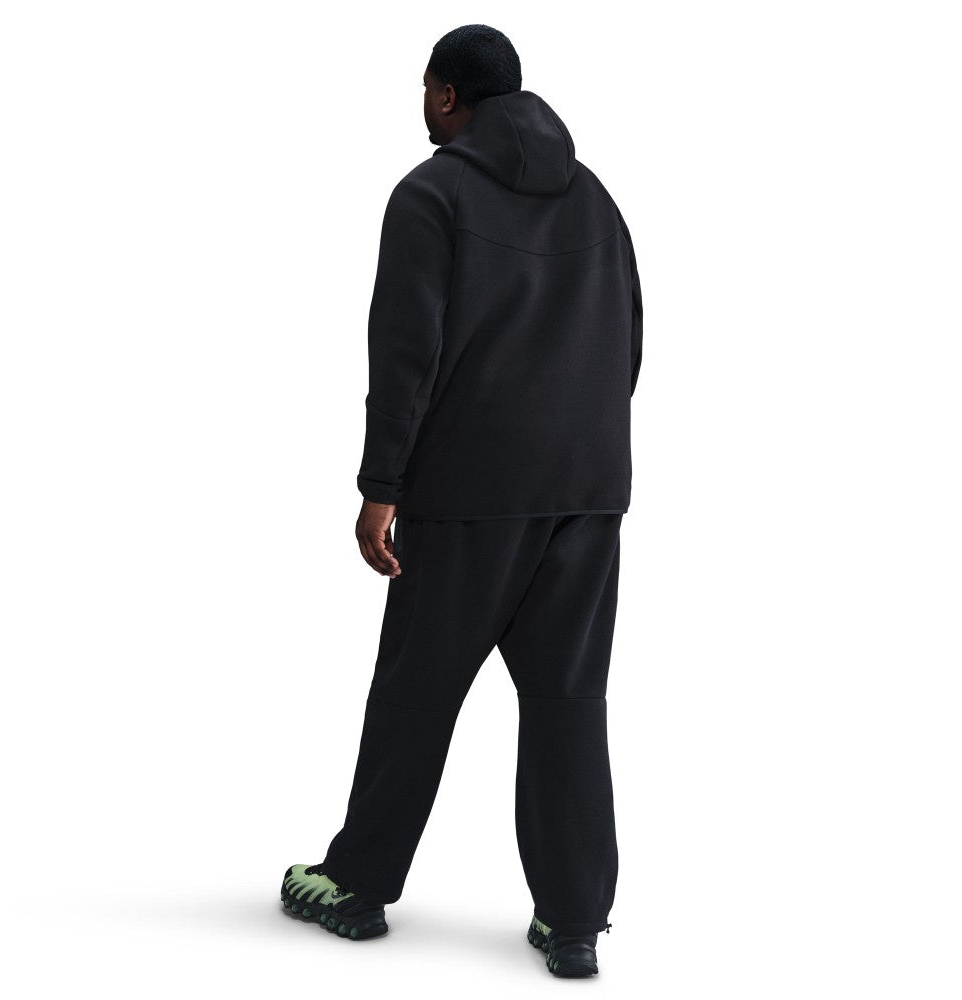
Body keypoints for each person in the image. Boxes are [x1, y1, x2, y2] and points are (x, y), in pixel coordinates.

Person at [280, 23, 643, 979]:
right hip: (587, 491)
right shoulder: (596, 198)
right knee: (569, 703)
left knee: (416, 693)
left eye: (426, 90)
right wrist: (584, 452)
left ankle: (356, 886)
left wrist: (381, 487)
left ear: (447, 94)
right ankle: (573, 922)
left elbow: (406, 354)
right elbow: (629, 339)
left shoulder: (429, 194)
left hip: (469, 492)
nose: (423, 105)